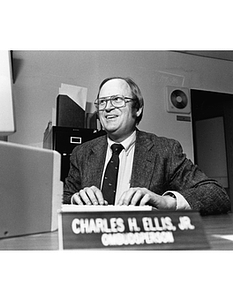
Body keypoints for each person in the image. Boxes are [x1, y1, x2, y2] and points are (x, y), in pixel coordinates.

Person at [63, 76, 231, 215]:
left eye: (117, 99)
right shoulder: (82, 152)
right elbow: (64, 198)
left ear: (138, 109)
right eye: (102, 101)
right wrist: (76, 199)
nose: (108, 107)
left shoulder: (165, 151)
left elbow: (217, 194)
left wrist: (167, 202)